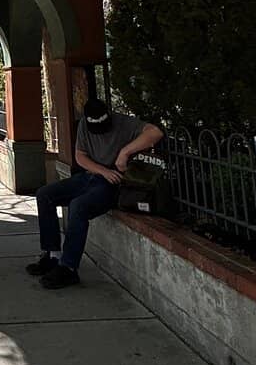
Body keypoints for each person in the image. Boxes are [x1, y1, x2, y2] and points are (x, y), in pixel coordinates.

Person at [28, 99, 164, 290]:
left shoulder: (124, 123)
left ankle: (68, 267)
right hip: (91, 176)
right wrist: (102, 171)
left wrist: (125, 152)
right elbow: (80, 156)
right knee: (45, 194)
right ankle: (53, 256)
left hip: (112, 184)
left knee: (78, 206)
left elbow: (155, 132)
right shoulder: (84, 124)